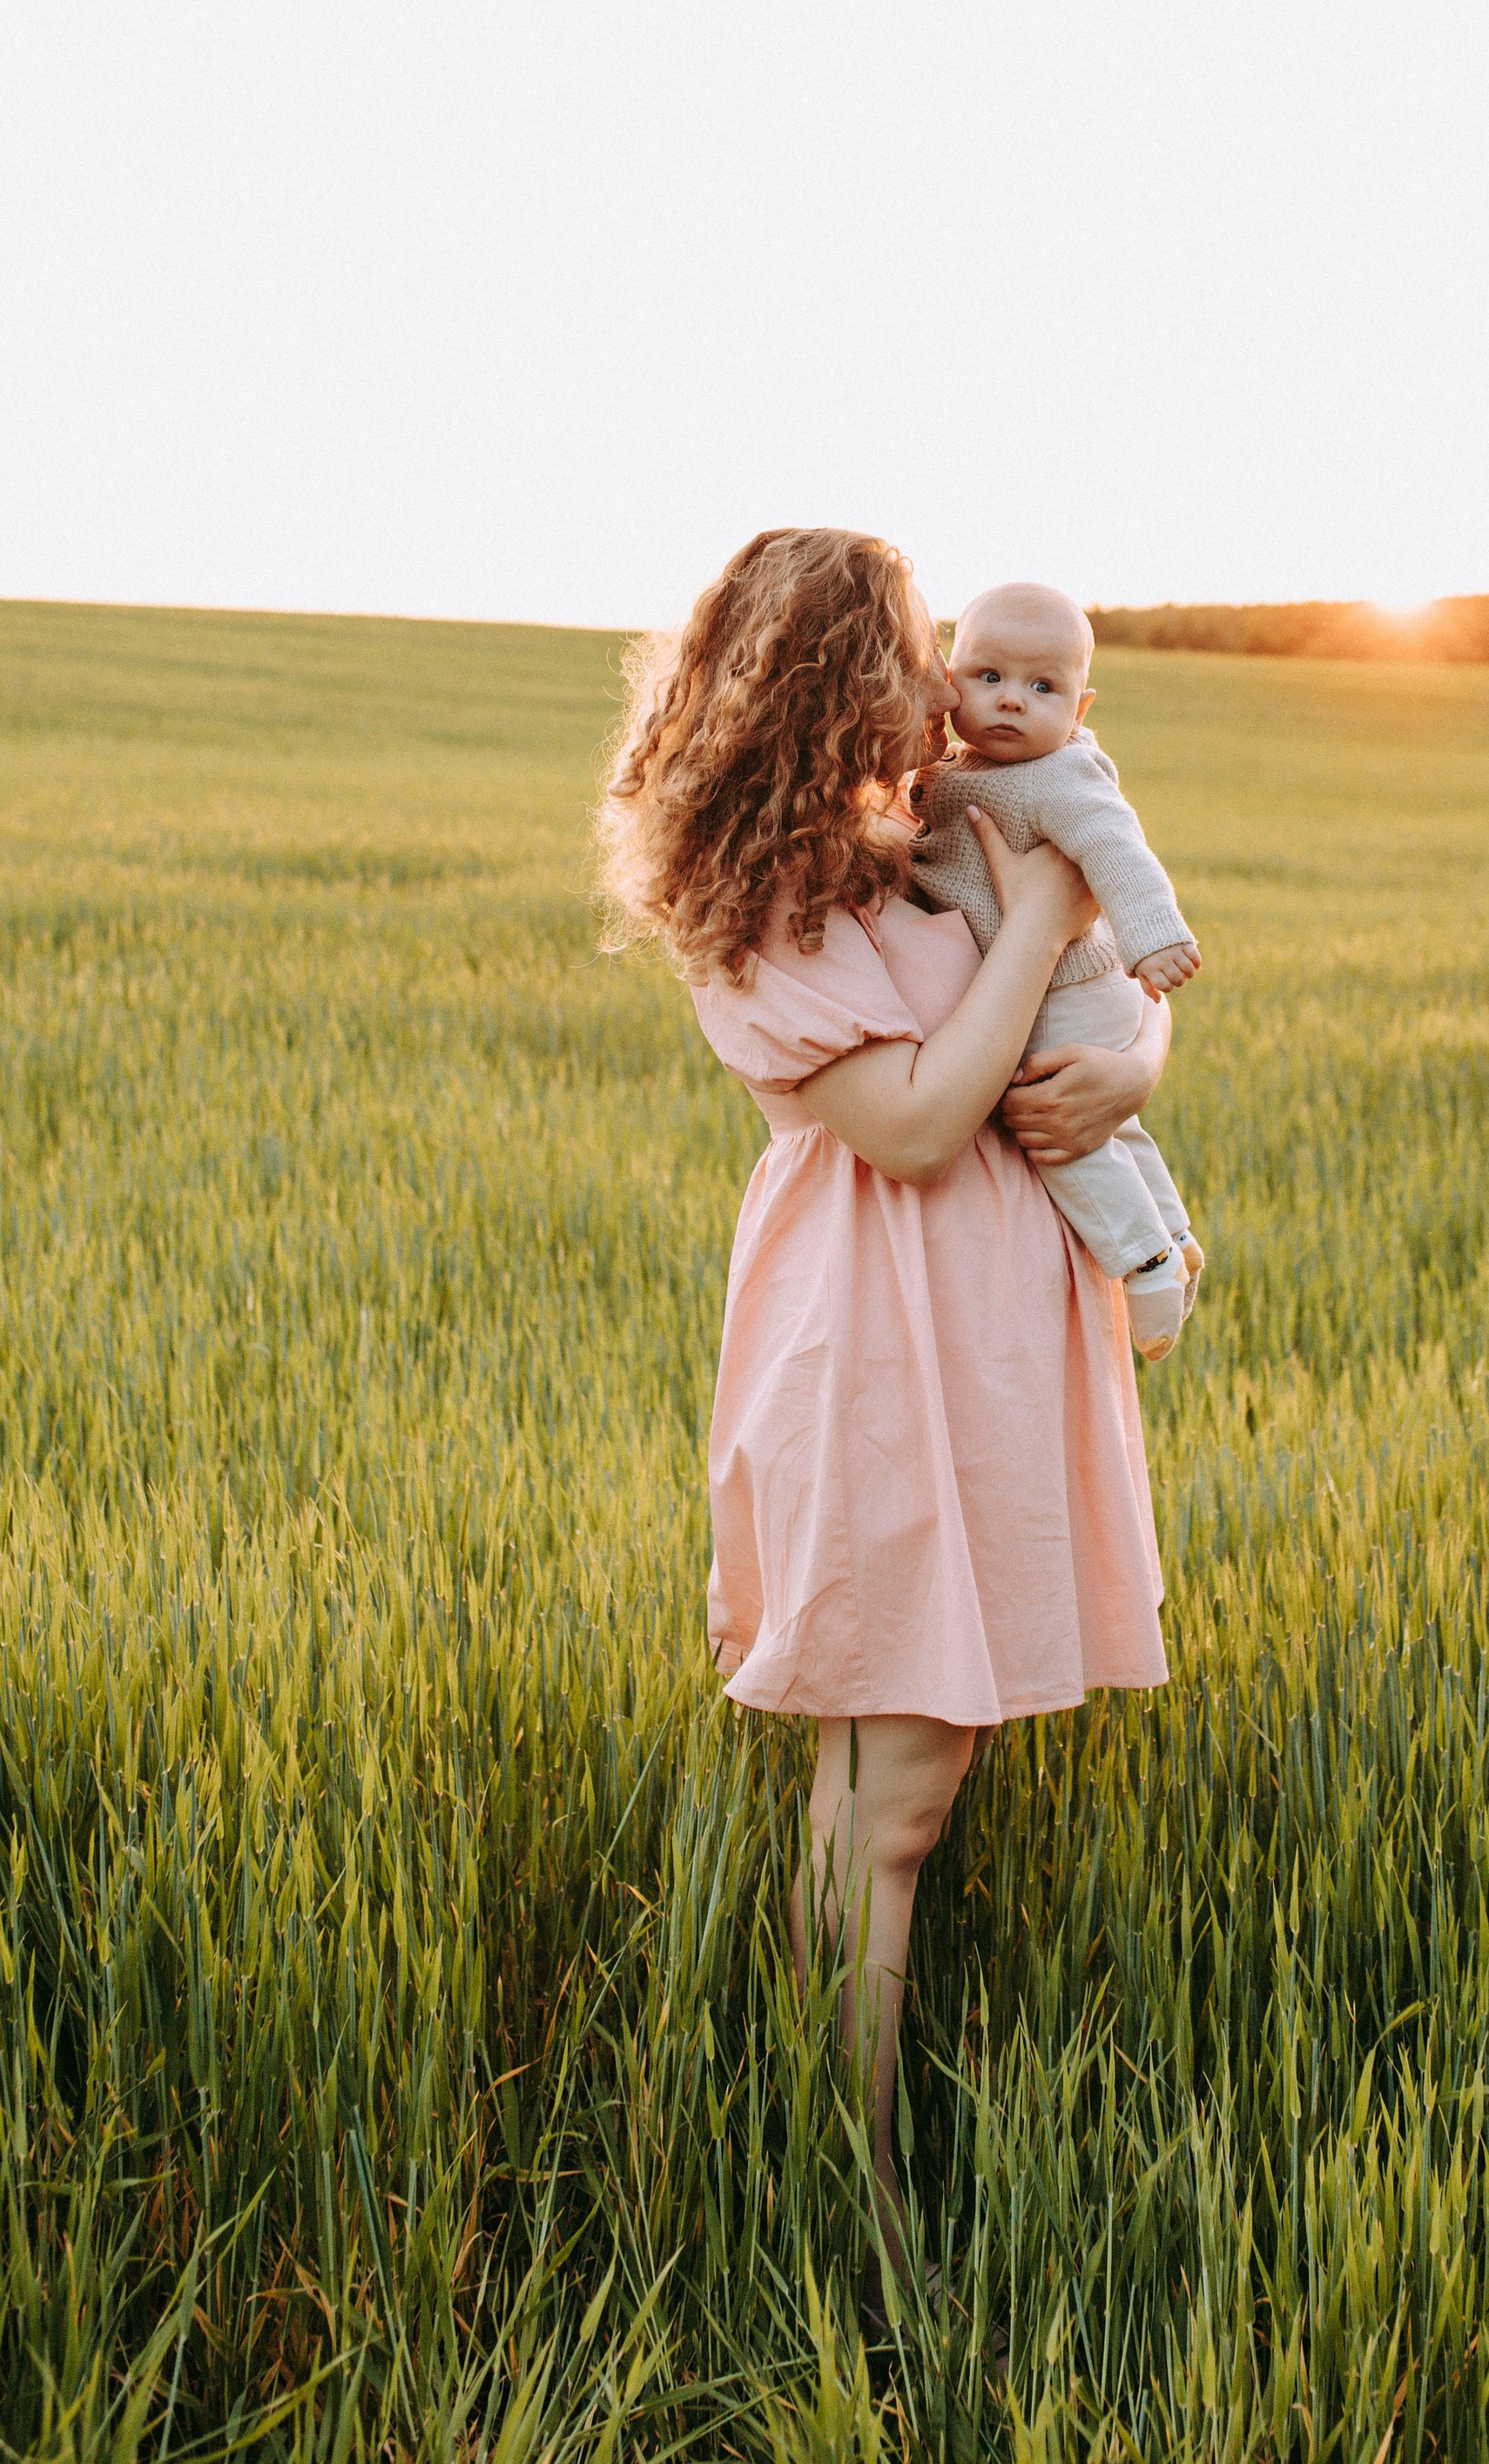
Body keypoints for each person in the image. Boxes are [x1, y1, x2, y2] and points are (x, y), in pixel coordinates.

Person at [596, 526, 1174, 2292]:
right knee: (888, 1793)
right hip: (874, 1345)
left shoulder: (918, 827)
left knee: (929, 1770)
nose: (934, 687)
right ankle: (835, 2201)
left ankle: (847, 2152)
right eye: (899, 654)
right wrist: (1057, 911)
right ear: (811, 676)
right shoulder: (746, 904)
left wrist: (1132, 1054)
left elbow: (1099, 1006)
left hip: (998, 1333)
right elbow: (921, 1116)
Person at [910, 579, 1204, 1354]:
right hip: (1056, 983)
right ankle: (1175, 1232)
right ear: (950, 678)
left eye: (1043, 688)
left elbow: (1116, 847)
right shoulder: (953, 769)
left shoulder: (1061, 774)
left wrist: (1152, 935)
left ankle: (1142, 1263)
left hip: (1070, 987)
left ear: (1081, 708)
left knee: (1053, 1130)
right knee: (1114, 1123)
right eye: (989, 678)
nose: (1012, 701)